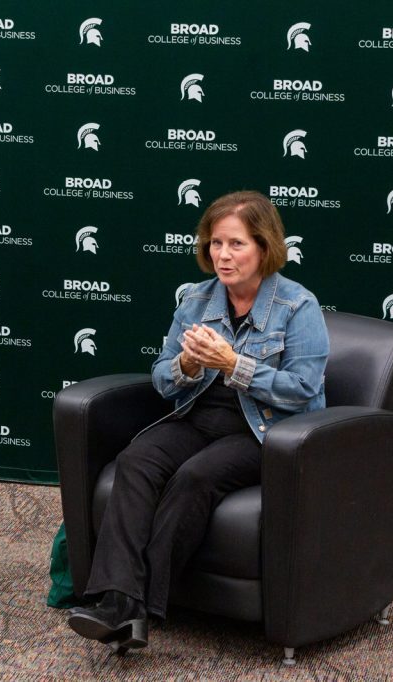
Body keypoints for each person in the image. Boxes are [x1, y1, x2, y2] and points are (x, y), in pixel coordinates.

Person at [66, 190, 328, 650]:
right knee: (136, 460)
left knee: (196, 476)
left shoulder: (296, 306)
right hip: (199, 415)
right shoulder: (195, 299)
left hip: (265, 429)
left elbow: (302, 390)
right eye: (215, 243)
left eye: (237, 244)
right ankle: (118, 601)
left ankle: (138, 605)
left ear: (264, 247)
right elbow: (163, 379)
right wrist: (187, 367)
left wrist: (233, 365)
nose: (223, 255)